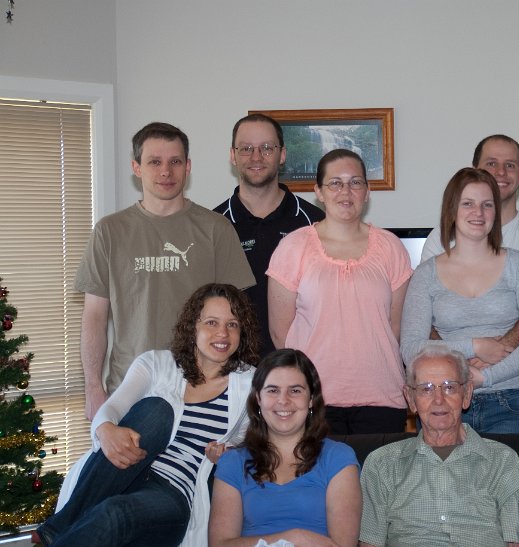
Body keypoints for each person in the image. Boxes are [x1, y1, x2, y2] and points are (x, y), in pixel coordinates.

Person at [36, 283, 260, 547]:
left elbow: (254, 449)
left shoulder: (251, 384)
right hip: (121, 472)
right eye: (211, 322)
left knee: (114, 513)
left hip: (171, 493)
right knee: (158, 410)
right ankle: (61, 526)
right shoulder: (156, 363)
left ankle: (56, 531)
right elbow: (111, 409)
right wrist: (105, 429)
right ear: (193, 327)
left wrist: (228, 454)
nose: (222, 333)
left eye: (232, 324)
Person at [76, 122, 255, 419]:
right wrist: (93, 388)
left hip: (203, 389)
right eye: (154, 162)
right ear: (136, 167)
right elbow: (94, 317)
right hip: (129, 390)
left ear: (188, 167)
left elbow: (237, 318)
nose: (165, 172)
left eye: (175, 162)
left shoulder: (216, 229)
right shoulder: (110, 231)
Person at [420, 134, 519, 433]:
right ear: (476, 169)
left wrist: (493, 357)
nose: (500, 172)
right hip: (450, 389)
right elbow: (425, 323)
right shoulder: (438, 241)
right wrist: (466, 357)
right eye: (491, 163)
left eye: (510, 165)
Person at [268, 148, 412, 434]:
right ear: (318, 191)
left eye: (355, 182)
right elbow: (280, 334)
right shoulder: (294, 247)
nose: (346, 191)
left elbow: (396, 327)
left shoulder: (391, 247)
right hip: (313, 399)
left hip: (382, 397)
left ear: (367, 191)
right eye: (335, 183)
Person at [359, 343, 519, 547]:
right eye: (426, 389)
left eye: (449, 387)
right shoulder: (382, 464)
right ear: (410, 399)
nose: (438, 400)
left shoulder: (502, 461)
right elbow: (370, 543)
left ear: (466, 394)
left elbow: (514, 542)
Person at [209, 348, 361, 547]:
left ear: (311, 400)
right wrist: (293, 539)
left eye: (295, 390)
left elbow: (343, 545)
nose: (283, 400)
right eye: (273, 390)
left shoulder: (339, 458)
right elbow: (219, 544)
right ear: (258, 399)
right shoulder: (233, 462)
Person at [215, 114, 325, 358]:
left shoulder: (315, 222)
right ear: (233, 155)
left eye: (266, 147)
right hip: (232, 371)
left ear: (282, 155)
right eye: (246, 148)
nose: (256, 157)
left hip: (300, 366)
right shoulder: (213, 224)